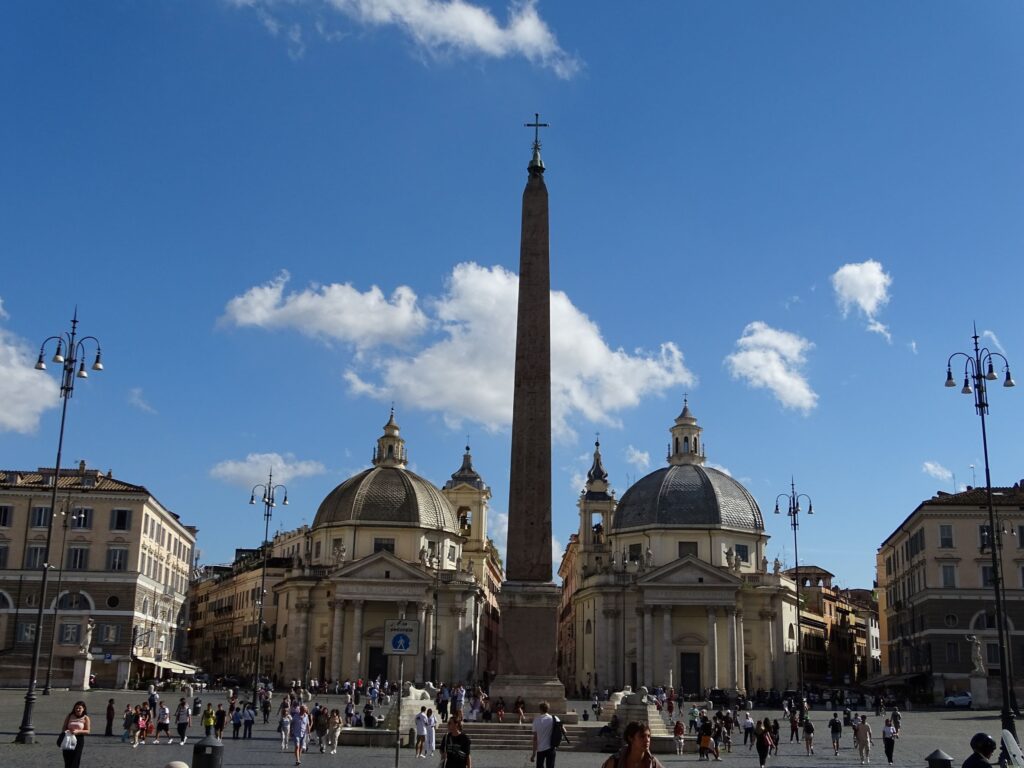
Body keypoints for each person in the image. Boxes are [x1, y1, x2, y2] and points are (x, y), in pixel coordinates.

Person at [600, 721, 666, 768]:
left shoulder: (653, 763)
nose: (647, 740)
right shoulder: (615, 762)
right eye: (642, 736)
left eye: (649, 736)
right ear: (630, 738)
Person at [60, 700, 90, 768]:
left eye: (80, 708)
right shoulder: (70, 715)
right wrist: (66, 731)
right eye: (76, 708)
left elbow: (88, 731)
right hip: (68, 738)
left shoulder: (86, 718)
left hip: (79, 740)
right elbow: (64, 726)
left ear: (83, 709)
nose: (78, 709)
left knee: (75, 759)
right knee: (67, 758)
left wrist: (78, 731)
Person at [530, 700, 556, 768]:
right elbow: (564, 731)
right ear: (548, 708)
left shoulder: (536, 720)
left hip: (540, 749)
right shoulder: (554, 718)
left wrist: (533, 754)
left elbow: (535, 738)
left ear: (540, 709)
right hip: (551, 748)